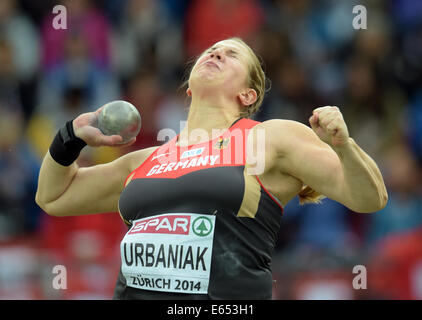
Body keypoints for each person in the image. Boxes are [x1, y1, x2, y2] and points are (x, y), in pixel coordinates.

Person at [35, 37, 388, 300]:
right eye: (211, 51)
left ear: (248, 95)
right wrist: (71, 136)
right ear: (188, 88)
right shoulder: (146, 161)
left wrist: (345, 145)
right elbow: (53, 197)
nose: (216, 53)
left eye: (231, 54)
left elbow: (370, 198)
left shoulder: (270, 138)